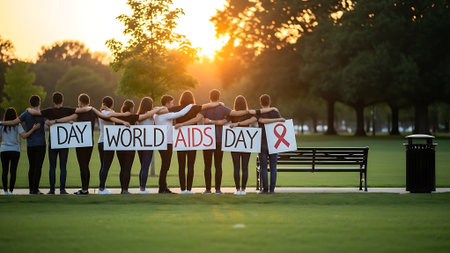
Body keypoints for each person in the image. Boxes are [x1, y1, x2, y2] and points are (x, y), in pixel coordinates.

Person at [27, 91, 91, 194]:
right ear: (62, 100)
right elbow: (85, 109)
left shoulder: (48, 111)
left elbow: (34, 112)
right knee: (63, 167)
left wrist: (28, 109)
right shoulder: (68, 110)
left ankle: (52, 190)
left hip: (53, 142)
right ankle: (62, 189)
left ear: (53, 101)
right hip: (64, 142)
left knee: (52, 166)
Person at [171, 90, 222, 194]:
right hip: (192, 140)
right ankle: (189, 189)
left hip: (180, 140)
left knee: (181, 166)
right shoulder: (194, 108)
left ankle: (182, 189)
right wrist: (219, 103)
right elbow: (206, 106)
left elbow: (165, 111)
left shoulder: (176, 109)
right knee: (191, 165)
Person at [111, 99, 166, 194]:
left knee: (126, 168)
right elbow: (161, 111)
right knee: (143, 167)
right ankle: (142, 188)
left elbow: (109, 116)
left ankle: (124, 189)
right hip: (145, 144)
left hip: (130, 145)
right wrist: (159, 108)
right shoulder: (136, 117)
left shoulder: (132, 116)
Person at [0, 95, 46, 194]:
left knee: (32, 166)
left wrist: (1, 123)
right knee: (38, 167)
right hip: (41, 144)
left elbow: (13, 122)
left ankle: (31, 189)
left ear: (30, 103)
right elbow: (49, 122)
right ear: (39, 103)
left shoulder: (25, 114)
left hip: (30, 144)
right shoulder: (43, 114)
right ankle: (35, 189)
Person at [153, 95, 193, 194]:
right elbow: (181, 113)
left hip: (160, 142)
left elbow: (155, 109)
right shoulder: (167, 115)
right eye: (171, 102)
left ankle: (163, 187)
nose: (173, 104)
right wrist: (191, 105)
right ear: (167, 103)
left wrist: (159, 108)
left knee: (165, 165)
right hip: (167, 142)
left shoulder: (156, 115)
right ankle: (162, 188)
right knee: (165, 166)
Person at [228, 95, 258, 195]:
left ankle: (237, 190)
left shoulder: (232, 114)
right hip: (246, 142)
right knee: (245, 167)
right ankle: (243, 190)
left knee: (236, 167)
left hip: (235, 142)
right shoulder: (249, 114)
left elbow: (225, 121)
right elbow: (257, 117)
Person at [256, 94, 285, 194]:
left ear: (261, 103)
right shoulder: (275, 112)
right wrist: (278, 119)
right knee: (273, 167)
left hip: (262, 142)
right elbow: (280, 124)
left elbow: (262, 121)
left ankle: (265, 189)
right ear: (270, 102)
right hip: (273, 142)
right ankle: (272, 189)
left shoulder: (259, 113)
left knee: (263, 167)